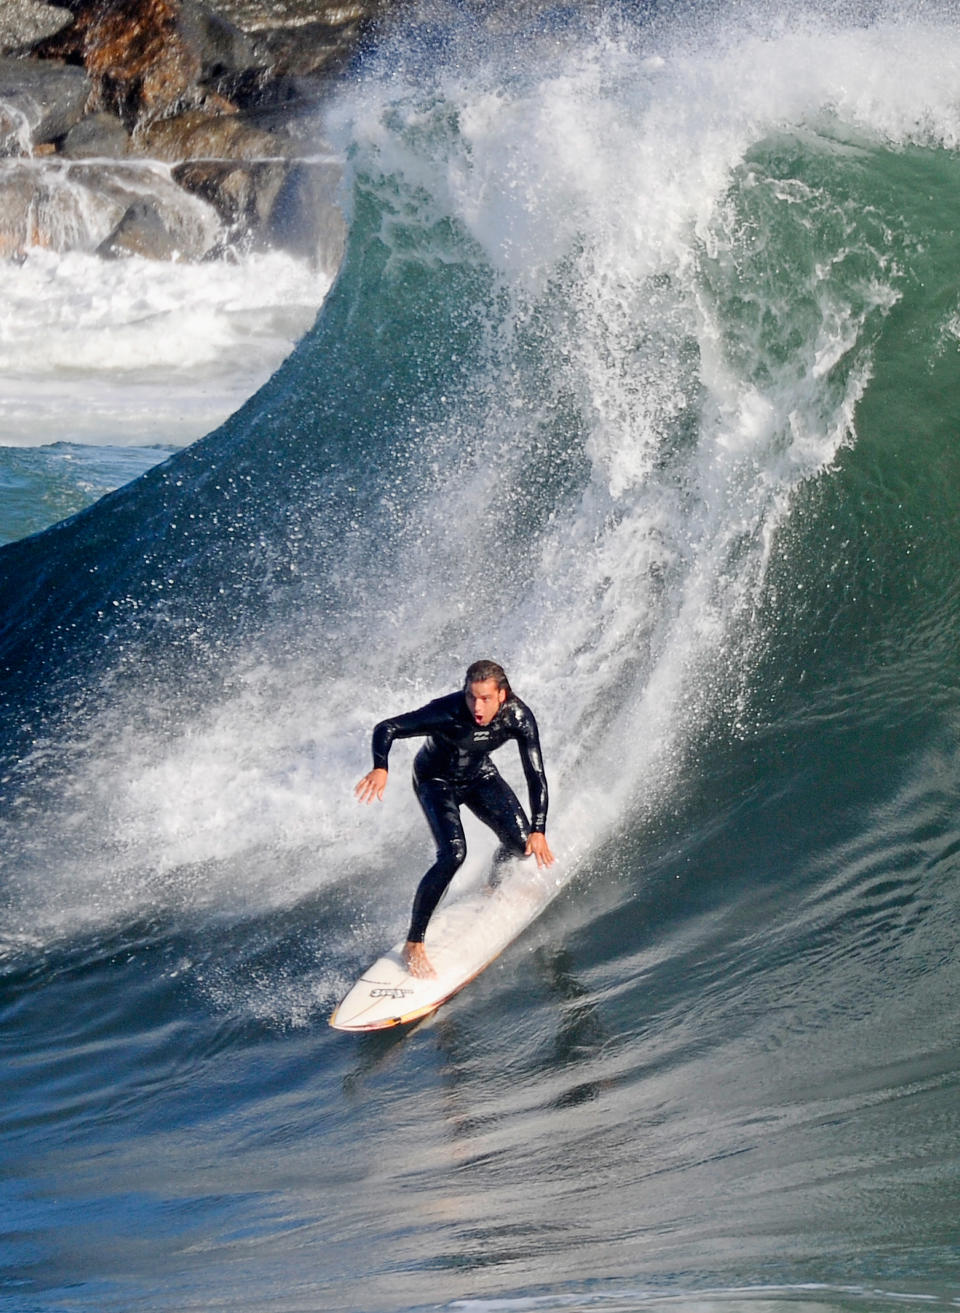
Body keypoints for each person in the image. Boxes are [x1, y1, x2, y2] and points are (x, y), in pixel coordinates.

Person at [355, 659, 555, 978]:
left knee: (522, 845)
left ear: (502, 696)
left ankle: (492, 886)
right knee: (453, 854)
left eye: (485, 698)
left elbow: (536, 775)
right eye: (472, 696)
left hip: (479, 776)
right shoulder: (447, 712)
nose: (477, 705)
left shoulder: (519, 717)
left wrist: (539, 829)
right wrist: (381, 766)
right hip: (435, 781)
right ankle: (414, 943)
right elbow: (387, 728)